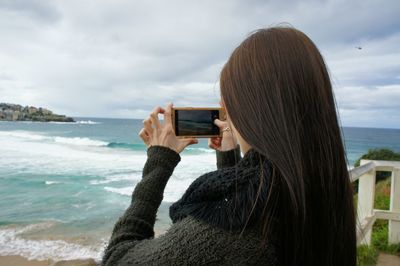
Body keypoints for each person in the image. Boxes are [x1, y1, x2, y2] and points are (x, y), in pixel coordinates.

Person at [101, 26, 356, 266]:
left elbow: (118, 257)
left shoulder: (224, 234)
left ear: (247, 110)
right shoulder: (320, 187)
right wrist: (228, 156)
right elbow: (249, 198)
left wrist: (159, 159)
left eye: (229, 102)